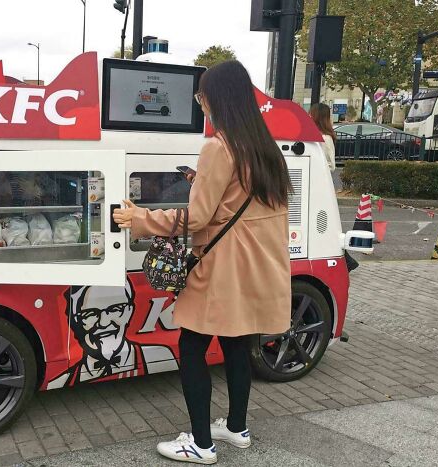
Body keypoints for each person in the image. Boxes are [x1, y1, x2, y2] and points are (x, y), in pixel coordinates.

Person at [113, 60, 292, 465]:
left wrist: (140, 218)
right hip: (256, 269)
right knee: (237, 346)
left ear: (216, 98)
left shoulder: (218, 146)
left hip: (220, 271)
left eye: (202, 95)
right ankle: (236, 428)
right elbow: (244, 210)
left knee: (192, 347)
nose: (201, 102)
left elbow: (197, 219)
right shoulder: (266, 149)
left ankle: (200, 444)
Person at [46, 278, 177, 389]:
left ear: (130, 311)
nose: (103, 323)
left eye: (115, 309)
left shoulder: (161, 353)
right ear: (75, 320)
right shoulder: (62, 379)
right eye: (91, 313)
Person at [309, 103, 337, 172]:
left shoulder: (325, 138)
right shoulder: (310, 136)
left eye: (311, 114)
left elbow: (331, 166)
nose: (309, 116)